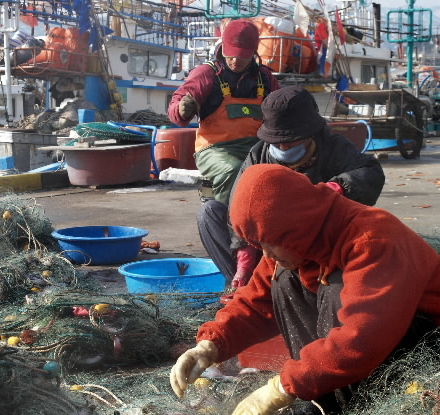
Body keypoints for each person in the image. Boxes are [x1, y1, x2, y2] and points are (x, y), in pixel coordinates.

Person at [171, 163, 440, 415]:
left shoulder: (372, 240)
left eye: (271, 244)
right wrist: (211, 345)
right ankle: (328, 400)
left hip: (424, 340)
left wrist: (282, 387)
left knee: (334, 288)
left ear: (296, 228)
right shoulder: (291, 244)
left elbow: (363, 337)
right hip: (370, 343)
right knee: (284, 280)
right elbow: (254, 303)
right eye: (259, 245)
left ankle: (364, 401)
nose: (267, 255)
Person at [197, 86, 385, 288]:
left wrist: (333, 190)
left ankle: (301, 286)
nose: (284, 147)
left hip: (312, 247)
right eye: (278, 142)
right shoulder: (258, 155)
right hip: (267, 247)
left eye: (290, 140)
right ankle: (244, 284)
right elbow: (238, 207)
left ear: (310, 131)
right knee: (209, 213)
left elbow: (370, 172)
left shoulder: (332, 147)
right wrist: (244, 254)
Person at [168, 18, 280, 205]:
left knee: (283, 173)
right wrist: (181, 110)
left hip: (256, 148)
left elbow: (281, 109)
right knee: (233, 171)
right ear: (223, 47)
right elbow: (176, 109)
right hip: (215, 150)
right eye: (231, 54)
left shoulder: (265, 77)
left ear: (253, 52)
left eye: (243, 56)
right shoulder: (205, 74)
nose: (235, 60)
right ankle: (232, 224)